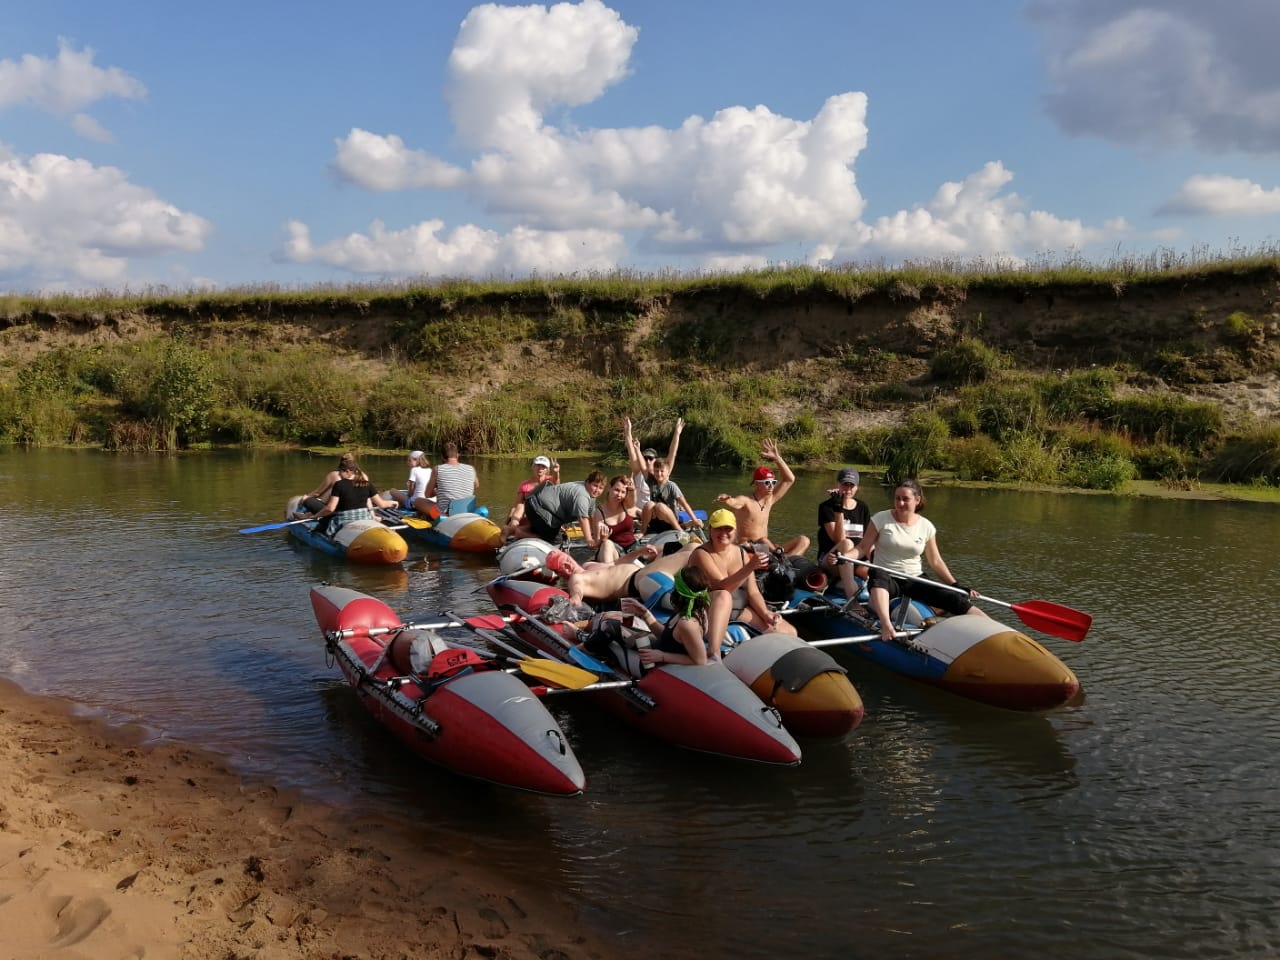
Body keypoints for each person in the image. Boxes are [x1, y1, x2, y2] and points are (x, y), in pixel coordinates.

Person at [843, 478, 987, 641]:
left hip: (914, 578)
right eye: (897, 498)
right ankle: (886, 625)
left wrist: (955, 585)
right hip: (887, 578)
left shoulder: (926, 526)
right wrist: (845, 557)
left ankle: (990, 630)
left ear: (917, 500)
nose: (900, 503)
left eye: (906, 499)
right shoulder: (881, 519)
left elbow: (936, 561)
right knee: (878, 574)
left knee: (954, 598)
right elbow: (862, 548)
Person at [688, 507, 795, 659]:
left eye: (728, 529)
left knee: (790, 632)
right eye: (718, 528)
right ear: (710, 529)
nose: (723, 533)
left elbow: (753, 592)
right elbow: (723, 586)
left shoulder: (741, 553)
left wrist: (765, 613)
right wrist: (750, 566)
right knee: (723, 595)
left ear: (735, 530)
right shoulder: (701, 554)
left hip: (739, 608)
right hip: (710, 607)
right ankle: (714, 652)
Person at [713, 438, 809, 557]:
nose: (771, 486)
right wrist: (726, 499)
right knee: (763, 540)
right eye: (767, 483)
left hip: (767, 548)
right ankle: (780, 558)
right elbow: (735, 502)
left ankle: (786, 560)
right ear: (757, 484)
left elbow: (790, 479)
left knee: (804, 540)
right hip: (747, 547)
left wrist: (777, 459)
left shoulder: (770, 499)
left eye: (773, 482)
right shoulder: (747, 500)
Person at [626, 565, 716, 667]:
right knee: (619, 623)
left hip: (656, 666)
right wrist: (646, 614)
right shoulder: (691, 609)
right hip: (655, 654)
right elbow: (668, 638)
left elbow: (700, 660)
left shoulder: (687, 623)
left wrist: (662, 656)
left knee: (611, 625)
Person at [565, 540, 696, 606]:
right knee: (692, 555)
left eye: (565, 559)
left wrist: (639, 552)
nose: (567, 563)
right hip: (635, 584)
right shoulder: (578, 578)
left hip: (640, 574)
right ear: (560, 573)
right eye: (561, 565)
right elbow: (577, 588)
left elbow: (616, 563)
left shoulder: (591, 566)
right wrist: (575, 597)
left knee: (693, 545)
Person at [507, 470, 607, 548]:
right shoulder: (582, 495)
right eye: (595, 486)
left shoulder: (591, 495)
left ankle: (515, 530)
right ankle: (521, 533)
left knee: (550, 530)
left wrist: (596, 537)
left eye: (600, 488)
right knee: (554, 539)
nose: (597, 490)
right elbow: (583, 518)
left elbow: (592, 516)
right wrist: (589, 540)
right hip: (536, 506)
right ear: (588, 482)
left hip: (539, 506)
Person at [817, 467, 872, 603]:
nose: (847, 489)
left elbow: (868, 540)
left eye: (851, 485)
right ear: (838, 485)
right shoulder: (826, 507)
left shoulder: (862, 507)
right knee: (847, 543)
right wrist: (838, 509)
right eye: (844, 484)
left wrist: (873, 560)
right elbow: (839, 540)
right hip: (831, 560)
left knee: (875, 572)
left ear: (857, 487)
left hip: (856, 559)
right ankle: (851, 600)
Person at [311, 461, 397, 536]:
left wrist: (316, 516)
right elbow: (381, 504)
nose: (339, 475)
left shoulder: (339, 484)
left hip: (345, 519)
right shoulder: (367, 484)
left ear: (347, 471)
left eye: (340, 472)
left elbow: (330, 508)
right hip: (364, 517)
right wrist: (393, 503)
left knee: (324, 523)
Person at [623, 416, 683, 511]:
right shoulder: (638, 472)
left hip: (659, 513)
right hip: (640, 513)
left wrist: (677, 434)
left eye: (650, 458)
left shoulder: (663, 473)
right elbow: (631, 451)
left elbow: (672, 453)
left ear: (656, 460)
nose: (647, 461)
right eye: (645, 458)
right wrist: (627, 432)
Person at [640, 457, 703, 536]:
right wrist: (636, 449)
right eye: (656, 471)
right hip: (655, 522)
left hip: (669, 522)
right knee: (649, 504)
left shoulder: (671, 486)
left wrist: (695, 520)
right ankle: (643, 530)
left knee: (659, 506)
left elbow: (684, 504)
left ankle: (678, 529)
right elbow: (643, 467)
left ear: (668, 473)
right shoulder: (651, 482)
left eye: (662, 471)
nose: (659, 473)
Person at [592, 474, 643, 562]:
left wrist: (632, 489)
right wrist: (603, 539)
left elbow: (633, 501)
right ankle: (609, 573)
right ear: (609, 488)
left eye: (623, 492)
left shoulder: (626, 505)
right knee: (607, 543)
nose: (619, 494)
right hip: (613, 552)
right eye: (616, 490)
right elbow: (596, 543)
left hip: (632, 548)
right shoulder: (599, 512)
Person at [423, 442, 478, 515]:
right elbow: (476, 486)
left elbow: (427, 494)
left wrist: (439, 491)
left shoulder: (437, 469)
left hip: (448, 513)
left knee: (418, 501)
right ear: (457, 455)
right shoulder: (471, 468)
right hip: (467, 510)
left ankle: (440, 516)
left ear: (442, 457)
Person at [506, 455, 560, 527]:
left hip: (545, 514)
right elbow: (516, 505)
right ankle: (512, 528)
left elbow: (556, 481)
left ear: (547, 469)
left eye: (543, 467)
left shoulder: (550, 481)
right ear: (533, 467)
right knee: (520, 505)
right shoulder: (524, 485)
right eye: (538, 465)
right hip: (528, 514)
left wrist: (556, 472)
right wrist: (507, 521)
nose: (540, 468)